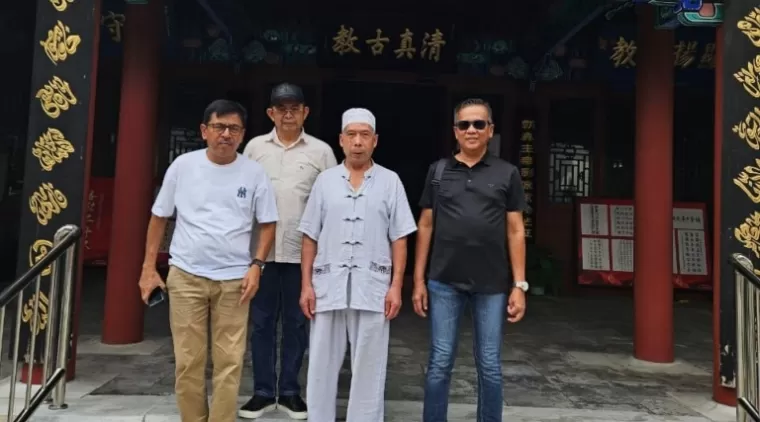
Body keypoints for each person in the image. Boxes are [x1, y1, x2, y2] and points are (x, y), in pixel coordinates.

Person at [138, 99, 279, 422]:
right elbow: (159, 217)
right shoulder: (183, 167)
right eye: (219, 127)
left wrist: (257, 266)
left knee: (229, 362)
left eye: (234, 129)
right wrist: (148, 269)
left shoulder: (254, 173)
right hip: (186, 275)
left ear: (243, 135)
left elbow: (269, 223)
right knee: (189, 360)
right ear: (204, 131)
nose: (226, 135)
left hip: (235, 280)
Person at [413, 98, 529, 422]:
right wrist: (418, 280)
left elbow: (516, 230)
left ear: (491, 130)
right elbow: (425, 225)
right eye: (464, 124)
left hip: (491, 284)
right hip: (443, 281)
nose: (472, 130)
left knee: (490, 365)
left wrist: (519, 285)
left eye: (479, 124)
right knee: (439, 362)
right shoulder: (438, 172)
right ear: (455, 131)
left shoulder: (507, 173)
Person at [298, 108, 417, 422]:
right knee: (321, 364)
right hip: (327, 286)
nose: (358, 142)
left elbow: (400, 238)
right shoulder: (325, 182)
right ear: (341, 140)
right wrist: (306, 285)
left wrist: (395, 287)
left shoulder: (390, 182)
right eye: (351, 134)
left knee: (370, 366)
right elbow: (309, 236)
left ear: (375, 141)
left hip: (373, 287)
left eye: (365, 135)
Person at [239, 83, 337, 420]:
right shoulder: (253, 149)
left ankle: (292, 391)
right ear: (271, 113)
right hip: (260, 256)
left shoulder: (322, 152)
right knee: (262, 324)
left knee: (297, 323)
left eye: (295, 107)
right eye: (282, 108)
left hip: (302, 256)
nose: (288, 113)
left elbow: (332, 204)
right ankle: (263, 392)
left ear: (306, 112)